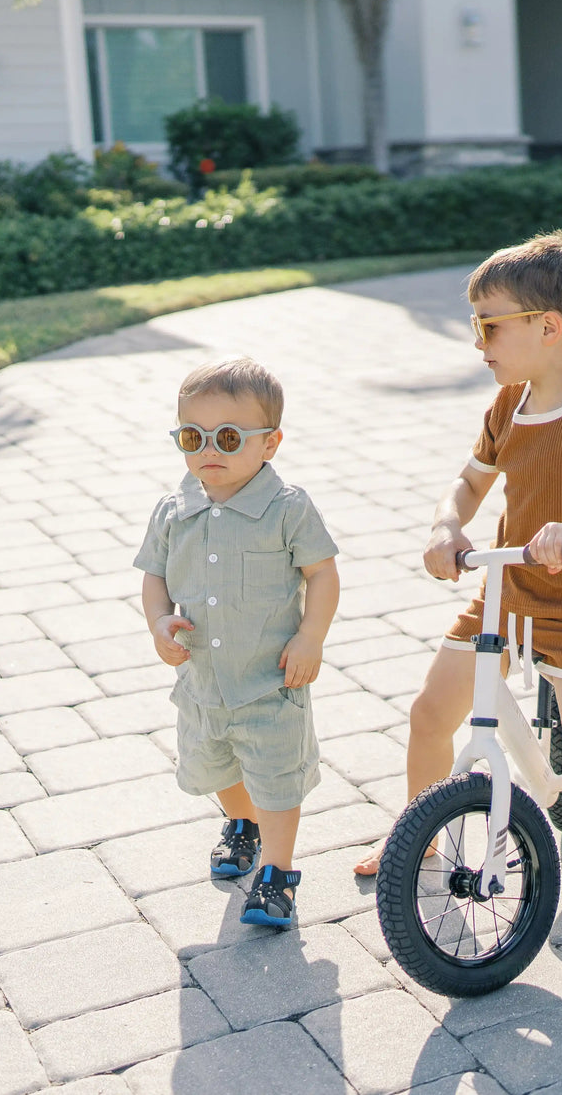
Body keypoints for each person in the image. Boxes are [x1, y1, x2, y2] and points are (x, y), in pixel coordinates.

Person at [354, 231, 562, 945]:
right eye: (477, 327)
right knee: (430, 713)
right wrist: (446, 526)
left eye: (489, 326)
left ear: (548, 327)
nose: (478, 343)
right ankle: (423, 836)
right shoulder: (507, 406)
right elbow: (469, 482)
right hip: (504, 590)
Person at [135, 358, 339, 929]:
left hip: (270, 682)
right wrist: (158, 622)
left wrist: (310, 637)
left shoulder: (287, 509)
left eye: (227, 437)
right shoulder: (174, 512)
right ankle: (240, 824)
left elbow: (322, 574)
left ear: (270, 443)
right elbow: (153, 574)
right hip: (202, 684)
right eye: (191, 437)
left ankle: (277, 876)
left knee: (275, 779)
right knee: (215, 768)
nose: (208, 450)